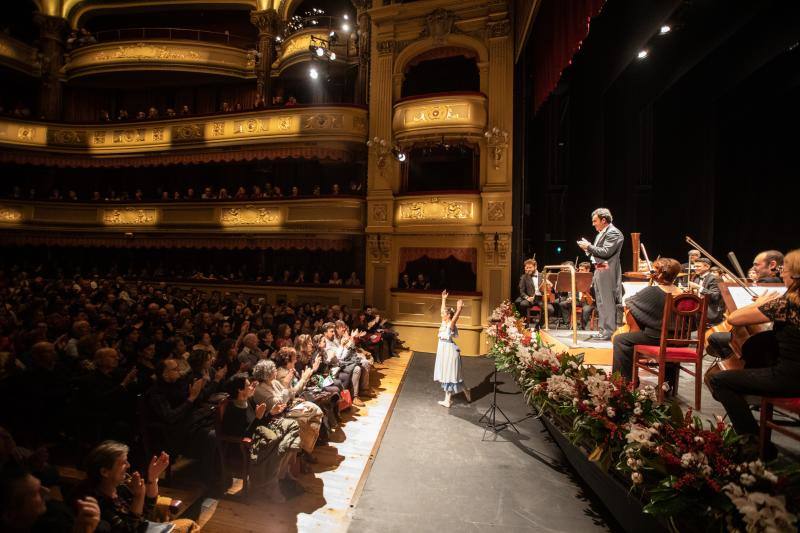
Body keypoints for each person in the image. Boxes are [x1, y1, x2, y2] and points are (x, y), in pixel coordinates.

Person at [709, 249, 800, 459]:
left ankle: (754, 445)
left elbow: (735, 319)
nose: (782, 275)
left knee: (720, 380)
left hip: (789, 377)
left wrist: (758, 304)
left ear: (794, 276)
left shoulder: (787, 304)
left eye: (785, 270)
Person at [611, 258, 683, 381]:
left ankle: (624, 381)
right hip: (679, 338)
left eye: (655, 271)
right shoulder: (683, 293)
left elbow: (629, 302)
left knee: (620, 339)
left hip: (656, 337)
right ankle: (668, 382)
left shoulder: (653, 291)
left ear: (660, 274)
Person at [706, 250, 785, 359]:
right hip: (769, 333)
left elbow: (736, 317)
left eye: (756, 265)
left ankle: (739, 362)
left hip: (765, 333)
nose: (754, 268)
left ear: (772, 265)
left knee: (715, 337)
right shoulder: (779, 283)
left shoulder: (767, 283)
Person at [578, 207, 624, 340]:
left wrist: (588, 246)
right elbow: (598, 251)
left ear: (603, 220)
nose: (593, 224)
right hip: (600, 267)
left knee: (607, 301)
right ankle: (603, 330)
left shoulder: (613, 233)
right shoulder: (601, 233)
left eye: (595, 221)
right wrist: (587, 249)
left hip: (607, 268)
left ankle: (609, 331)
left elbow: (606, 252)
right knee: (600, 301)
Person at [433, 291, 469, 407]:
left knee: (450, 375)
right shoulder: (444, 322)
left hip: (449, 351)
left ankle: (449, 400)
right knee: (449, 374)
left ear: (448, 315)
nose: (442, 314)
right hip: (443, 350)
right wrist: (443, 299)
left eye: (444, 313)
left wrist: (459, 309)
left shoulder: (450, 325)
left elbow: (455, 319)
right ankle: (465, 391)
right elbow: (442, 310)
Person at [514, 258, 554, 327]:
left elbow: (551, 290)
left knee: (550, 309)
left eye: (530, 267)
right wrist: (527, 297)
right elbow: (521, 291)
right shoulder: (524, 277)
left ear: (535, 267)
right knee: (522, 304)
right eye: (526, 268)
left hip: (541, 299)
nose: (528, 269)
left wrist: (550, 285)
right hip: (530, 298)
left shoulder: (543, 276)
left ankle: (539, 325)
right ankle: (525, 324)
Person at [687, 257, 723, 325]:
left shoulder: (715, 278)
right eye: (695, 266)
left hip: (709, 311)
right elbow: (698, 295)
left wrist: (699, 288)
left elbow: (715, 296)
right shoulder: (696, 278)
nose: (695, 268)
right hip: (697, 310)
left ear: (707, 267)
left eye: (698, 266)